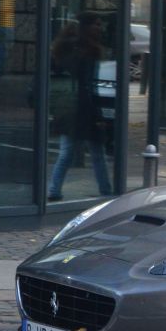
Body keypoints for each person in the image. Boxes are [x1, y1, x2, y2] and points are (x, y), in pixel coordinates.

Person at [47, 12, 113, 202]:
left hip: (69, 105)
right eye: (97, 25)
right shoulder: (88, 51)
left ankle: (54, 189)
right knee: (96, 152)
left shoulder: (66, 47)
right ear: (87, 27)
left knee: (67, 152)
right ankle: (106, 190)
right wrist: (97, 113)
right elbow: (88, 84)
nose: (100, 29)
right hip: (84, 107)